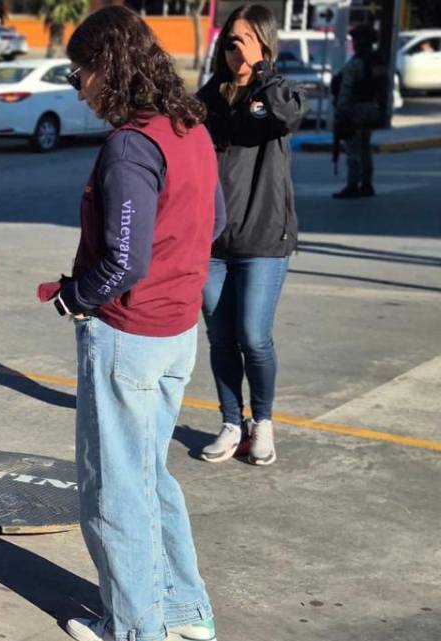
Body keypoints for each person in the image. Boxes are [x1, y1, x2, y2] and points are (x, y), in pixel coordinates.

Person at [36, 6, 224, 641]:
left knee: (114, 481)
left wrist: (72, 299)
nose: (76, 86)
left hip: (129, 333)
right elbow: (214, 219)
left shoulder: (131, 144)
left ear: (106, 69)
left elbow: (123, 260)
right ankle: (185, 610)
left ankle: (133, 625)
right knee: (150, 474)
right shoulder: (188, 128)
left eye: (78, 70)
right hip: (175, 330)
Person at [196, 3, 307, 465]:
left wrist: (261, 68)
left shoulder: (277, 91)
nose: (233, 47)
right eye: (229, 40)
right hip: (214, 243)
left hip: (263, 239)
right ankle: (230, 421)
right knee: (220, 337)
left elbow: (286, 116)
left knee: (252, 335)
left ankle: (262, 421)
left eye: (242, 38)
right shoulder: (210, 98)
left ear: (263, 41)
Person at [333, 25, 383, 199]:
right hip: (371, 108)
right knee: (365, 148)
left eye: (354, 40)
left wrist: (340, 112)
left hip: (355, 109)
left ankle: (353, 185)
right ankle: (367, 184)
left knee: (354, 149)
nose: (352, 43)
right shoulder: (377, 60)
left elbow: (345, 89)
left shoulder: (356, 62)